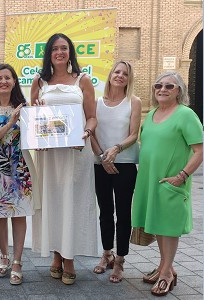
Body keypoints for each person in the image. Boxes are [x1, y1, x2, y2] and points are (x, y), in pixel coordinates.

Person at [30, 33, 99, 285]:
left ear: (70, 52)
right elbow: (34, 117)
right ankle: (57, 255)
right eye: (55, 49)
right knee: (54, 203)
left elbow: (91, 116)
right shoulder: (39, 80)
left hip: (75, 154)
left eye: (64, 48)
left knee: (73, 202)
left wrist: (87, 132)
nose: (60, 52)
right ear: (49, 53)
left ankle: (69, 258)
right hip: (50, 156)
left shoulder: (83, 80)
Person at [131, 72, 203, 296]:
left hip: (171, 180)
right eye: (158, 86)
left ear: (179, 90)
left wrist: (182, 175)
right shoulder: (152, 114)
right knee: (158, 226)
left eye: (169, 86)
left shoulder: (186, 115)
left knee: (169, 228)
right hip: (150, 181)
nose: (162, 89)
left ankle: (166, 275)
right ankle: (165, 266)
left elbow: (199, 151)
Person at [0, 64, 33, 285]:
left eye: (8, 78)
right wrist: (11, 121)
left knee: (19, 214)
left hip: (20, 168)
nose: (3, 81)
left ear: (14, 81)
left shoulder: (25, 107)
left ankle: (17, 261)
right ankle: (3, 256)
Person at [90, 61, 141, 283]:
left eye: (125, 74)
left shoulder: (134, 102)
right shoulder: (96, 103)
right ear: (110, 75)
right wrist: (103, 157)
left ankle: (120, 260)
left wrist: (116, 149)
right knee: (105, 212)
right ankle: (107, 253)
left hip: (125, 164)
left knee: (123, 213)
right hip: (100, 163)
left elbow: (133, 134)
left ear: (129, 79)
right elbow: (90, 132)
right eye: (117, 72)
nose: (120, 76)